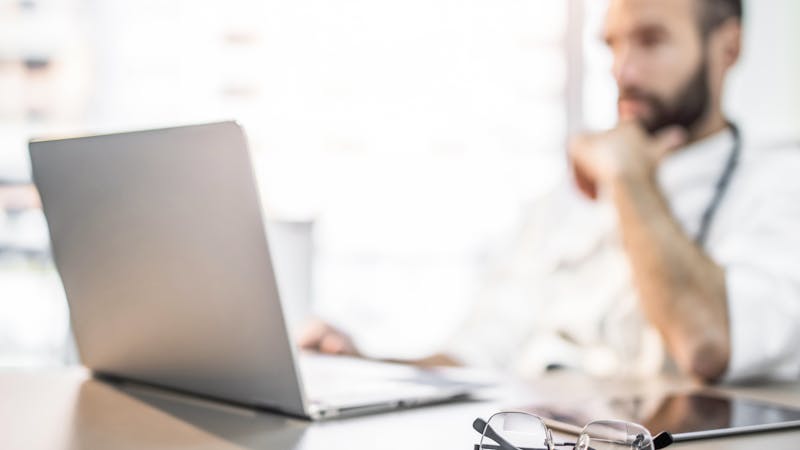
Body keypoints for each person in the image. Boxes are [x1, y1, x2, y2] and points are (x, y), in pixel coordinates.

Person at [300, 0, 800, 383]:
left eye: (651, 41)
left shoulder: (779, 184)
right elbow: (477, 357)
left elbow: (708, 342)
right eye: (611, 45)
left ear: (728, 47)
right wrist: (369, 368)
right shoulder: (563, 200)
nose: (621, 72)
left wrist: (628, 177)